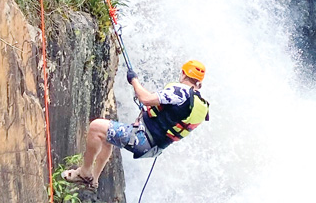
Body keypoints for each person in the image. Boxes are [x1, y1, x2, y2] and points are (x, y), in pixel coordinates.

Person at [62, 59, 209, 192]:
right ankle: (93, 180)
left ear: (183, 74)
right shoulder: (200, 105)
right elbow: (170, 116)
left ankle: (84, 172)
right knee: (106, 137)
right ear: (199, 83)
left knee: (96, 127)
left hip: (143, 139)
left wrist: (134, 80)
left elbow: (145, 99)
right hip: (154, 147)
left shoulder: (180, 92)